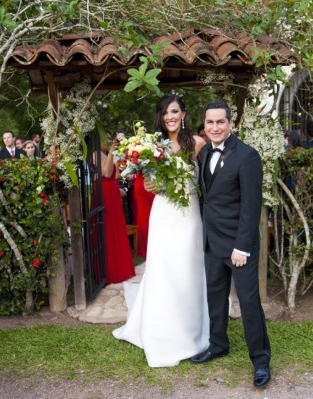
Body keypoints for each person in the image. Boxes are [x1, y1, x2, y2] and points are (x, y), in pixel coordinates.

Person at [113, 93, 209, 368]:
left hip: (188, 214)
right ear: (161, 116)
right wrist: (149, 185)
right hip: (163, 213)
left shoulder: (199, 144)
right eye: (166, 112)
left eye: (175, 111)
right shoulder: (152, 146)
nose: (171, 116)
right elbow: (144, 181)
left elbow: (209, 180)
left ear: (184, 115)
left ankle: (191, 329)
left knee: (188, 268)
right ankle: (161, 330)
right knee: (163, 268)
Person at [192, 100, 271, 388]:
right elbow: (208, 198)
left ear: (230, 123)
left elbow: (252, 207)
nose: (215, 127)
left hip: (239, 245)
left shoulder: (247, 156)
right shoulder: (203, 156)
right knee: (215, 297)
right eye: (210, 122)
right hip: (212, 241)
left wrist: (242, 247)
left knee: (249, 303)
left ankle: (261, 361)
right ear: (205, 124)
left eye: (220, 122)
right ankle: (218, 344)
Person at [98, 134, 136, 285]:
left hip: (113, 193)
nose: (107, 141)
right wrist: (112, 149)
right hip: (106, 194)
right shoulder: (95, 154)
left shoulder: (103, 153)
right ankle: (112, 270)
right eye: (105, 139)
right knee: (110, 230)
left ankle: (120, 266)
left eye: (109, 139)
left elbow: (114, 172)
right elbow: (106, 173)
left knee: (117, 228)